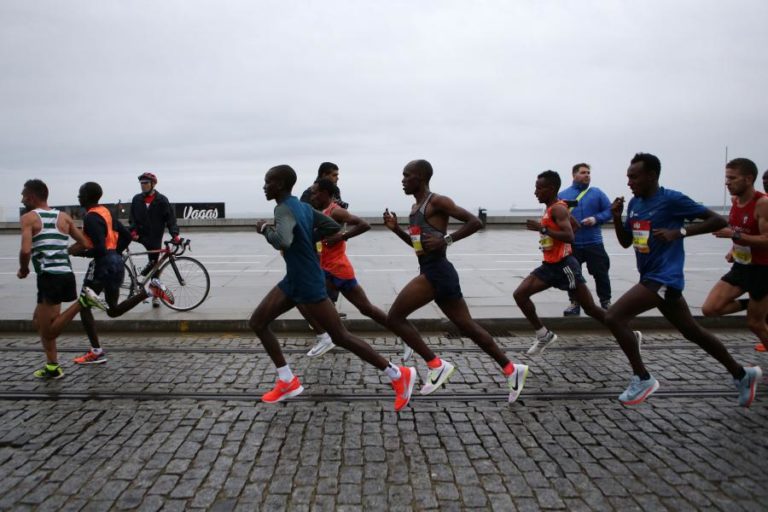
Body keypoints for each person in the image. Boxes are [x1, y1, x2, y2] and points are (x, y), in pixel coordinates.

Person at [250, 165, 415, 411]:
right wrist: (307, 239)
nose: (264, 186)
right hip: (294, 279)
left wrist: (265, 229)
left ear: (281, 185)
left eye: (268, 182)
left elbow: (282, 240)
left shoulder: (283, 208)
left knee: (340, 336)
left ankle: (397, 374)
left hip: (307, 282)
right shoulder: (304, 207)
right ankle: (287, 380)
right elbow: (330, 228)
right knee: (258, 322)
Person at [605, 152, 761, 407]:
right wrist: (616, 216)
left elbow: (716, 219)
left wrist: (679, 232)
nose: (629, 182)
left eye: (634, 177)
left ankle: (643, 378)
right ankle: (742, 374)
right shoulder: (634, 204)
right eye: (628, 177)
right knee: (693, 331)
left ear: (651, 176)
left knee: (614, 316)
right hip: (651, 276)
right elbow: (626, 243)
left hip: (664, 277)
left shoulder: (671, 199)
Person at [383, 159, 529, 403]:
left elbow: (475, 222)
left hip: (436, 272)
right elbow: (418, 247)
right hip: (435, 271)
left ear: (420, 176)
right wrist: (397, 229)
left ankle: (436, 364)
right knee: (467, 326)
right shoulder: (414, 208)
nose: (402, 180)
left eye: (407, 175)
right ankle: (512, 369)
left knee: (394, 318)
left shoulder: (437, 201)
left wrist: (446, 240)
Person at [303, 178, 411, 359]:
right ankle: (327, 336)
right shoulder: (321, 211)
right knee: (308, 299)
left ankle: (406, 335)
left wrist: (341, 237)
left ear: (325, 194)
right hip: (326, 268)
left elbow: (364, 224)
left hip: (339, 269)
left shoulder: (336, 211)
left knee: (365, 308)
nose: (312, 195)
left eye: (315, 192)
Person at [514, 170, 613, 356]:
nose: (535, 192)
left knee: (590, 308)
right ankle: (543, 335)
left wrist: (542, 228)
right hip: (550, 265)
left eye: (539, 188)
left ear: (551, 189)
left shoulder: (558, 208)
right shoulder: (555, 207)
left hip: (565, 266)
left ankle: (627, 332)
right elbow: (574, 224)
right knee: (520, 294)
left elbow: (570, 234)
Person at [73, 182, 159, 364]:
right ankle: (149, 291)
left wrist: (80, 253)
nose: (78, 197)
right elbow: (127, 236)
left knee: (83, 306)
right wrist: (116, 253)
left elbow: (99, 249)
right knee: (113, 310)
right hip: (116, 264)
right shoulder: (106, 212)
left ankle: (96, 352)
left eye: (80, 194)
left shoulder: (90, 218)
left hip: (102, 266)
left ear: (88, 196)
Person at [17, 179, 94, 379]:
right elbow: (84, 243)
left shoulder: (29, 218)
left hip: (49, 277)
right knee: (39, 321)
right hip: (65, 275)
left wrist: (23, 269)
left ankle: (83, 302)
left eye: (24, 196)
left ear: (32, 197)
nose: (22, 199)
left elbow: (25, 250)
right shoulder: (64, 218)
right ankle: (52, 366)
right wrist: (63, 252)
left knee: (49, 331)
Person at [701, 158, 768, 352]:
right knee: (710, 309)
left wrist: (736, 236)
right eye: (726, 178)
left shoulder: (762, 204)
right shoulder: (735, 201)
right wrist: (734, 248)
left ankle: (759, 308)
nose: (727, 182)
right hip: (741, 266)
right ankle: (754, 304)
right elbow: (744, 231)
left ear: (748, 179)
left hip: (763, 269)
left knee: (755, 324)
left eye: (732, 178)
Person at [558, 163, 613, 315]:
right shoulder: (563, 195)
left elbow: (610, 210)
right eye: (583, 172)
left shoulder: (597, 193)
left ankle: (606, 302)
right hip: (572, 243)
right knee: (573, 276)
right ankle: (575, 303)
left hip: (594, 242)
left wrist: (596, 219)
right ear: (574, 175)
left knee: (601, 273)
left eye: (588, 172)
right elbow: (554, 215)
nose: (587, 175)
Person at [129, 172, 180, 307]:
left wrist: (175, 234)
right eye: (141, 183)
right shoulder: (136, 199)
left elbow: (170, 220)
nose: (143, 186)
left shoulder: (162, 200)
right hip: (139, 234)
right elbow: (132, 218)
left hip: (154, 236)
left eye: (146, 183)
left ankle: (154, 295)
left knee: (155, 264)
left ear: (153, 184)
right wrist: (133, 231)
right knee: (119, 251)